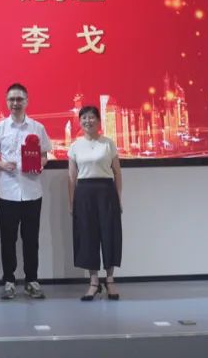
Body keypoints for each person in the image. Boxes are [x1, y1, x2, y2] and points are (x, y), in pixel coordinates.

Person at [0, 82, 52, 300]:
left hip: (32, 191)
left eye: (19, 99)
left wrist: (40, 164)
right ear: (7, 102)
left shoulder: (37, 128)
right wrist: (2, 164)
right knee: (8, 239)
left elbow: (45, 155)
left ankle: (32, 280)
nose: (15, 103)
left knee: (31, 239)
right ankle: (9, 281)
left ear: (27, 101)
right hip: (7, 192)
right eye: (12, 99)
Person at [68, 105, 123, 301]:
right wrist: (71, 202)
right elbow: (71, 178)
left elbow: (117, 173)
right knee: (87, 236)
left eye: (91, 117)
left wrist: (118, 199)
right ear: (79, 122)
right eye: (84, 118)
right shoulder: (75, 146)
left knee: (110, 235)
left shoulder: (108, 143)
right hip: (84, 193)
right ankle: (93, 282)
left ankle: (110, 280)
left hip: (106, 191)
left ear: (99, 121)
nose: (87, 121)